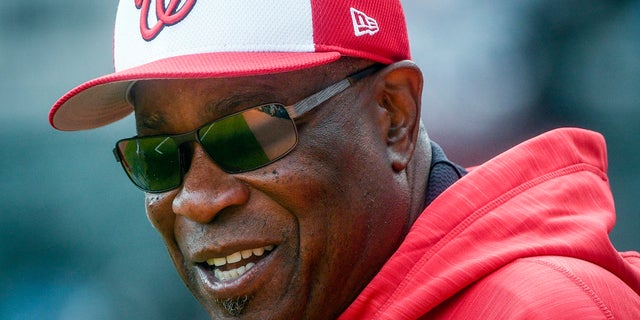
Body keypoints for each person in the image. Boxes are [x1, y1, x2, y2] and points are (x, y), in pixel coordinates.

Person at [50, 1, 640, 319]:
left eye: (248, 132)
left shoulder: (539, 309)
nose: (198, 199)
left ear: (394, 117)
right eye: (158, 156)